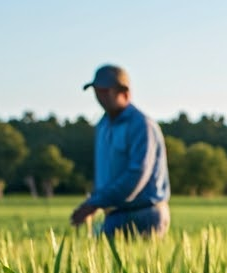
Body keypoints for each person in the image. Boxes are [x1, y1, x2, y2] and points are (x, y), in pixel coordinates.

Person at [70, 65, 170, 238]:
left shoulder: (141, 125)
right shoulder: (102, 126)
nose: (100, 97)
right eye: (97, 92)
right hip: (112, 215)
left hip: (144, 214)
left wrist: (95, 203)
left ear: (125, 92)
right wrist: (96, 199)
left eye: (106, 91)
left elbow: (136, 175)